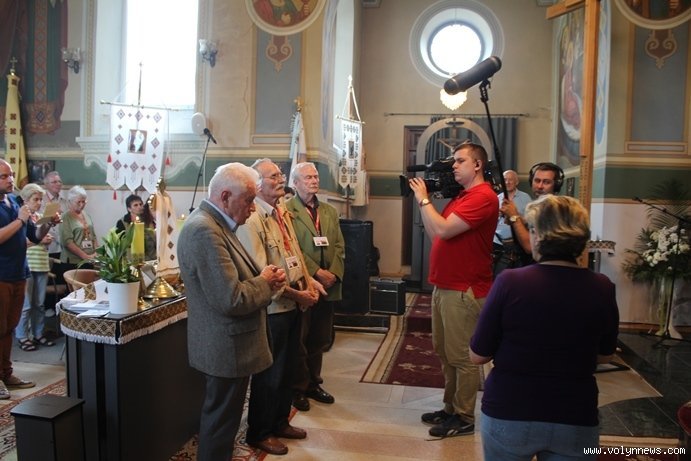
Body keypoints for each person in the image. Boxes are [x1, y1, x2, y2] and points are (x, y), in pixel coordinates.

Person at [470, 195, 619, 461]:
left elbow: (478, 354)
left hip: (511, 408)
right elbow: (606, 355)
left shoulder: (510, 282)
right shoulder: (602, 287)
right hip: (574, 413)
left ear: (538, 236)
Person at [177, 162, 287, 461]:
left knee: (224, 420)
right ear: (225, 196)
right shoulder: (204, 230)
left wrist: (263, 280)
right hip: (225, 346)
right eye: (249, 200)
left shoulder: (218, 225)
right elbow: (231, 299)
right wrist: (265, 282)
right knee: (220, 424)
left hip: (230, 344)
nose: (253, 208)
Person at [407, 141, 499, 438]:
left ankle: (464, 416)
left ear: (478, 165)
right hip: (445, 285)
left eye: (460, 161)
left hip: (464, 288)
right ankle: (449, 409)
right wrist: (425, 203)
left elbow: (444, 230)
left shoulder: (483, 196)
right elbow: (437, 234)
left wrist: (423, 199)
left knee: (461, 356)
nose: (454, 166)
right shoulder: (462, 196)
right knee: (445, 353)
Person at [237, 159, 323, 456]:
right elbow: (263, 274)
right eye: (273, 176)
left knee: (290, 368)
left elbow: (294, 253)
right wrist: (299, 295)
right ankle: (260, 432)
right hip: (274, 310)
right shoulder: (252, 219)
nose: (281, 179)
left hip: (294, 304)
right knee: (270, 374)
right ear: (257, 184)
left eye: (281, 175)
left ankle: (280, 421)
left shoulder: (281, 211)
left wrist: (309, 283)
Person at [286, 162, 345, 412]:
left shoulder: (329, 211)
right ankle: (297, 389)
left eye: (316, 176)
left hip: (328, 285)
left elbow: (340, 246)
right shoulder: (287, 211)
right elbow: (292, 248)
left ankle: (313, 383)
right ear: (295, 183)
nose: (314, 181)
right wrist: (316, 272)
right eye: (308, 177)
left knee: (320, 338)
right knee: (300, 339)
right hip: (304, 284)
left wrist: (333, 274)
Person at [0, 160, 60, 399]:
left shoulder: (14, 202)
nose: (10, 179)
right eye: (4, 176)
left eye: (11, 175)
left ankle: (6, 373)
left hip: (18, 273)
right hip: (1, 275)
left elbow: (34, 237)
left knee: (9, 328)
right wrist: (20, 220)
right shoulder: (17, 211)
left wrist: (48, 223)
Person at [16, 184, 56, 351]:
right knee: (26, 305)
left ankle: (37, 333)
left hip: (41, 263)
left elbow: (41, 238)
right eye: (35, 199)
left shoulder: (40, 217)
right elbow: (20, 242)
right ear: (25, 200)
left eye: (40, 199)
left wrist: (47, 238)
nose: (39, 203)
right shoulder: (20, 217)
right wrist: (39, 241)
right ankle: (22, 336)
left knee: (39, 304)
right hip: (27, 264)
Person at [500, 162, 564, 253]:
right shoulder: (539, 206)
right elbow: (534, 224)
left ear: (556, 185)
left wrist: (514, 217)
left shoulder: (556, 209)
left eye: (546, 182)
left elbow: (531, 247)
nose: (540, 186)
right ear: (531, 181)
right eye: (537, 181)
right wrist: (515, 216)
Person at [492, 170, 532, 276]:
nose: (507, 182)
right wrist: (498, 215)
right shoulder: (496, 198)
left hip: (517, 245)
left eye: (511, 180)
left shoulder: (526, 198)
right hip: (497, 244)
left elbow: (531, 221)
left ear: (517, 182)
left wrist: (514, 214)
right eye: (505, 179)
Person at [41, 171, 68, 317]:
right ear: (46, 185)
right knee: (47, 278)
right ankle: (47, 307)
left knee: (58, 276)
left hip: (61, 245)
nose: (58, 184)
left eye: (59, 181)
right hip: (47, 245)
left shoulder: (63, 200)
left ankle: (56, 305)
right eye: (54, 182)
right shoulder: (42, 201)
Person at [59, 186, 98, 269]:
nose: (82, 205)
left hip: (90, 260)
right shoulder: (65, 217)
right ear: (70, 201)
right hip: (73, 263)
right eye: (78, 202)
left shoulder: (86, 215)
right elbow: (67, 242)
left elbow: (93, 236)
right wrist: (85, 256)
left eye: (83, 201)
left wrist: (96, 252)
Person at [115, 194, 157, 260]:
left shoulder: (148, 220)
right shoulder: (122, 223)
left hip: (151, 257)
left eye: (141, 204)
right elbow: (120, 243)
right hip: (131, 258)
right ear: (129, 209)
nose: (139, 207)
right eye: (135, 205)